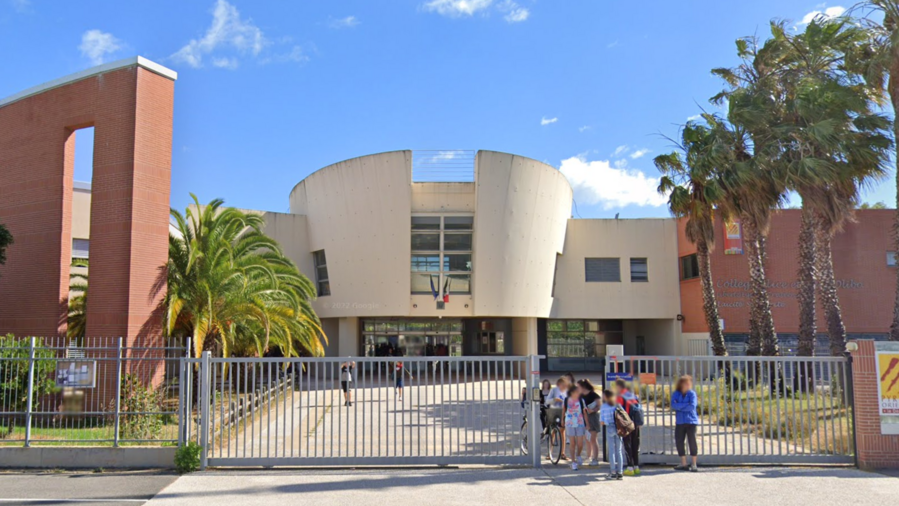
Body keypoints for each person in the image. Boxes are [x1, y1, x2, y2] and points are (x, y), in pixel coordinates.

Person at [671, 374, 699, 472]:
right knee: (679, 441)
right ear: (681, 384)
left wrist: (680, 406)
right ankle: (683, 463)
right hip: (680, 421)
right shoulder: (676, 394)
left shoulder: (692, 394)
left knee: (692, 441)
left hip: (691, 421)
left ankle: (694, 463)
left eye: (689, 383)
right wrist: (685, 405)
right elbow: (673, 405)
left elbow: (692, 406)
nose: (688, 385)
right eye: (686, 383)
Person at [615, 378, 641, 476]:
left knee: (627, 445)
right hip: (636, 423)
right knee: (635, 445)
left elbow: (619, 411)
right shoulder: (633, 395)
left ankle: (630, 467)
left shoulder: (620, 397)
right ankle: (636, 466)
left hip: (627, 424)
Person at [599, 388, 624, 480]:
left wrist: (606, 422)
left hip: (609, 427)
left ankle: (613, 472)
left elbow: (601, 421)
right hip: (619, 428)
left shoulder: (604, 406)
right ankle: (620, 472)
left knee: (611, 451)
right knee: (619, 451)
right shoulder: (617, 405)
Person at [577, 379, 601, 466]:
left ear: (583, 386)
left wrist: (593, 410)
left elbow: (600, 405)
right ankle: (589, 457)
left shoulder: (593, 394)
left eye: (578, 386)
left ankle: (595, 459)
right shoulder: (580, 396)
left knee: (593, 439)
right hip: (584, 417)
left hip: (593, 417)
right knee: (587, 439)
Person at [544, 377, 569, 460]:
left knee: (562, 431)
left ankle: (563, 453)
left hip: (563, 412)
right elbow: (547, 401)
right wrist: (554, 399)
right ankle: (549, 452)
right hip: (554, 412)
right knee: (553, 432)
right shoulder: (554, 390)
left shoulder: (567, 391)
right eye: (563, 385)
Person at [563, 386, 587, 470]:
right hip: (569, 423)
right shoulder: (566, 400)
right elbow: (564, 410)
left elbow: (584, 412)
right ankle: (573, 462)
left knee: (580, 444)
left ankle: (578, 455)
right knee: (572, 443)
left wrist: (587, 423)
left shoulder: (581, 400)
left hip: (580, 423)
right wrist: (562, 421)